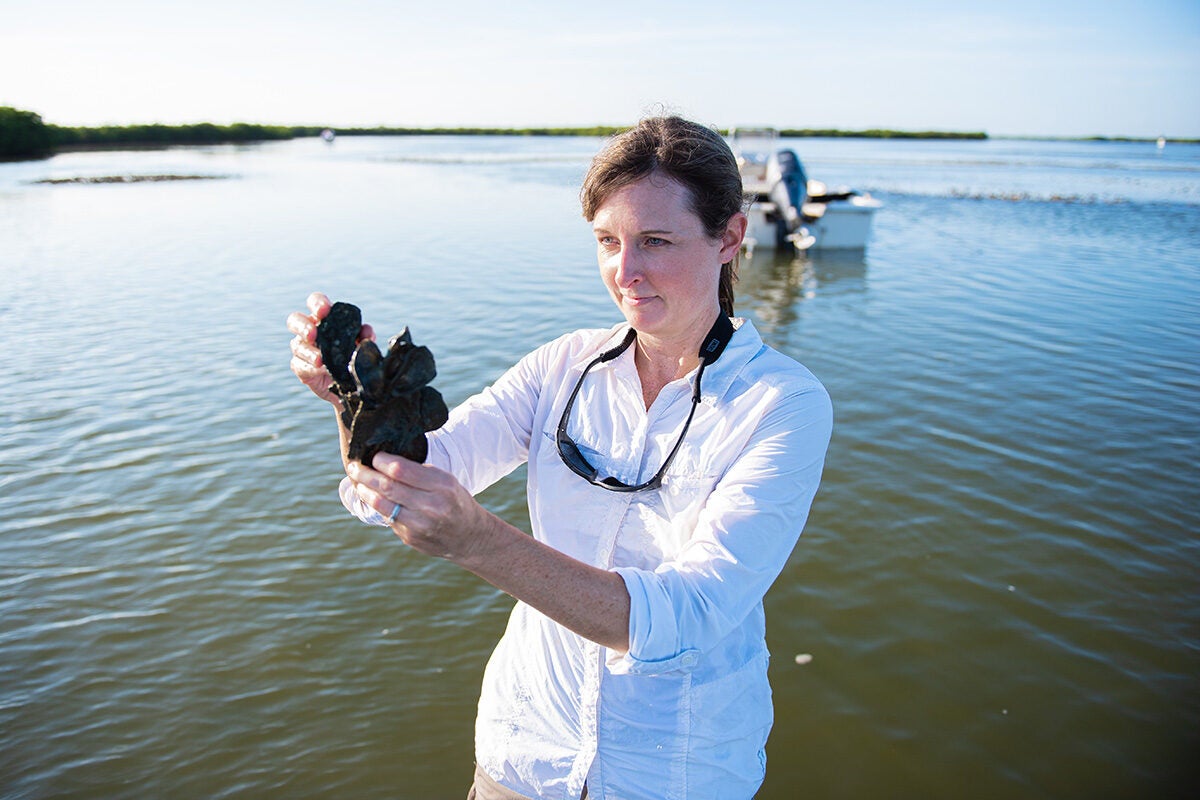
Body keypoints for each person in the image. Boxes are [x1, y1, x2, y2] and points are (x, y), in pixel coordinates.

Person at [287, 116, 833, 799]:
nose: (624, 272)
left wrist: (479, 541)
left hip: (678, 773)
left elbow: (690, 616)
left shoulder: (782, 404)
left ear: (729, 237)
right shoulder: (562, 367)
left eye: (655, 241)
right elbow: (432, 467)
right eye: (608, 241)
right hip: (523, 758)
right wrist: (357, 401)